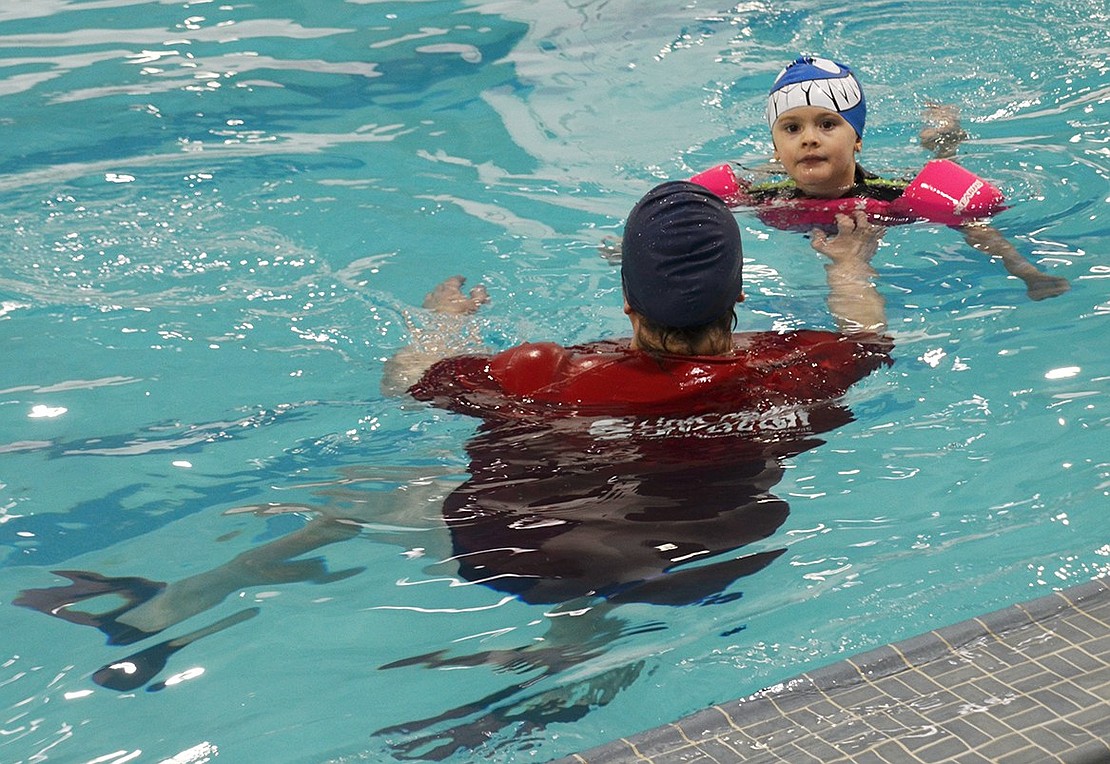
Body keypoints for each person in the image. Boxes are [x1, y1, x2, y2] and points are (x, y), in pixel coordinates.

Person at [689, 56, 1070, 301]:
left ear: (856, 140)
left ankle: (944, 140)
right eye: (791, 128)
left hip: (886, 194)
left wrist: (1025, 271)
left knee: (940, 166)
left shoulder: (890, 199)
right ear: (775, 148)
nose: (809, 138)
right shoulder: (761, 196)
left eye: (827, 124)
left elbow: (972, 225)